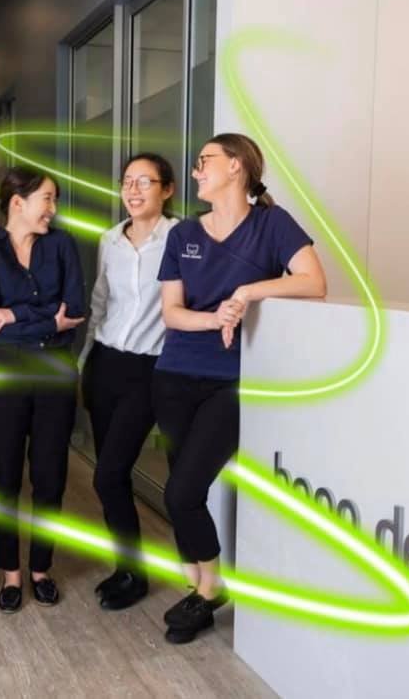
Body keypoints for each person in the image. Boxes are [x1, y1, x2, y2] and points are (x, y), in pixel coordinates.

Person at [154, 132, 327, 643]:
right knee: (183, 490)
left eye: (204, 161)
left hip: (231, 382)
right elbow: (171, 313)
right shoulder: (183, 234)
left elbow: (313, 282)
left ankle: (211, 590)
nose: (195, 171)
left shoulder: (272, 224)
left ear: (236, 166)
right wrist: (215, 318)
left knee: (181, 492)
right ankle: (200, 585)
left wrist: (247, 291)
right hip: (174, 375)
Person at [0, 165, 85, 613]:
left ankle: (40, 569)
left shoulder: (62, 245)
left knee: (50, 474)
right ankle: (10, 573)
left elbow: (74, 310)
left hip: (54, 371)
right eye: (47, 199)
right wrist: (47, 320)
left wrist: (16, 315)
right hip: (3, 373)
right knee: (4, 475)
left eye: (54, 200)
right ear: (18, 203)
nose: (53, 209)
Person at [79, 153, 179, 610]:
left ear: (167, 190)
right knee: (111, 475)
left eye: (145, 182)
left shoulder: (180, 238)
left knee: (109, 474)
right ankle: (127, 568)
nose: (133, 190)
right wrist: (85, 360)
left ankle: (137, 573)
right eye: (127, 182)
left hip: (149, 369)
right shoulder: (109, 240)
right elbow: (101, 301)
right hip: (105, 364)